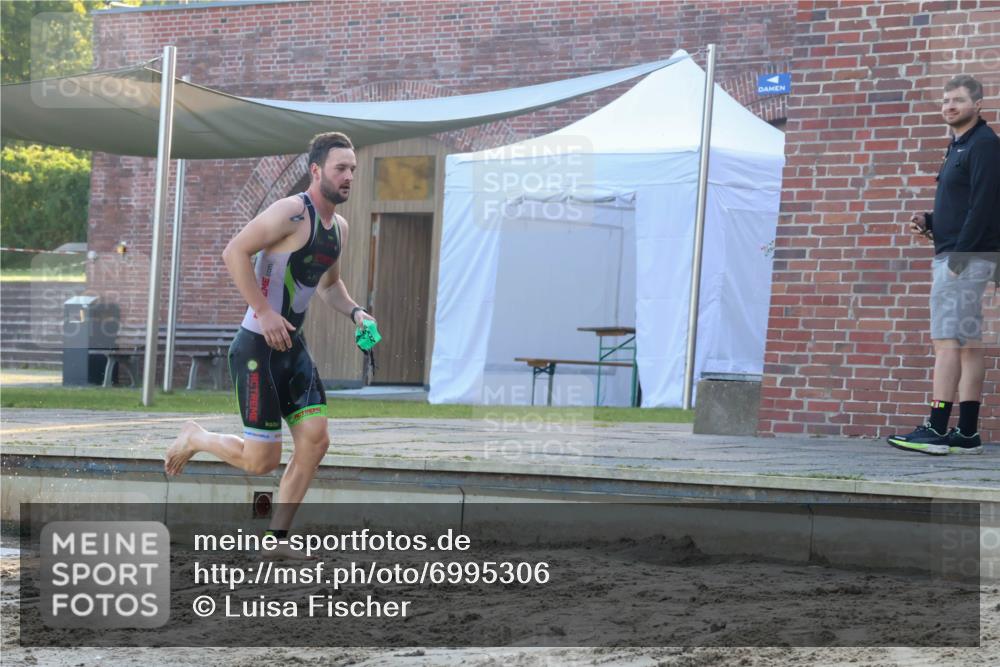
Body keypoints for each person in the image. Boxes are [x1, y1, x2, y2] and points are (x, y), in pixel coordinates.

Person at [165, 132, 375, 555]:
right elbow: (233, 252)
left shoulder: (341, 229)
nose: (349, 175)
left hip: (292, 349)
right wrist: (262, 310)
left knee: (316, 440)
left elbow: (329, 287)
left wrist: (356, 312)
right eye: (341, 168)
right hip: (257, 347)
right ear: (316, 171)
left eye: (353, 168)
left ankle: (277, 539)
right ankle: (195, 436)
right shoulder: (291, 212)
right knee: (262, 462)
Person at [888, 75, 1000, 456]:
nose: (949, 106)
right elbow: (963, 204)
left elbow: (985, 206)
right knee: (967, 344)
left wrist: (959, 257)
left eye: (958, 100)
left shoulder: (984, 146)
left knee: (947, 340)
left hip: (964, 257)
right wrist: (931, 221)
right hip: (963, 252)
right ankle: (966, 433)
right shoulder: (960, 147)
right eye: (946, 100)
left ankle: (936, 428)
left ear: (978, 104)